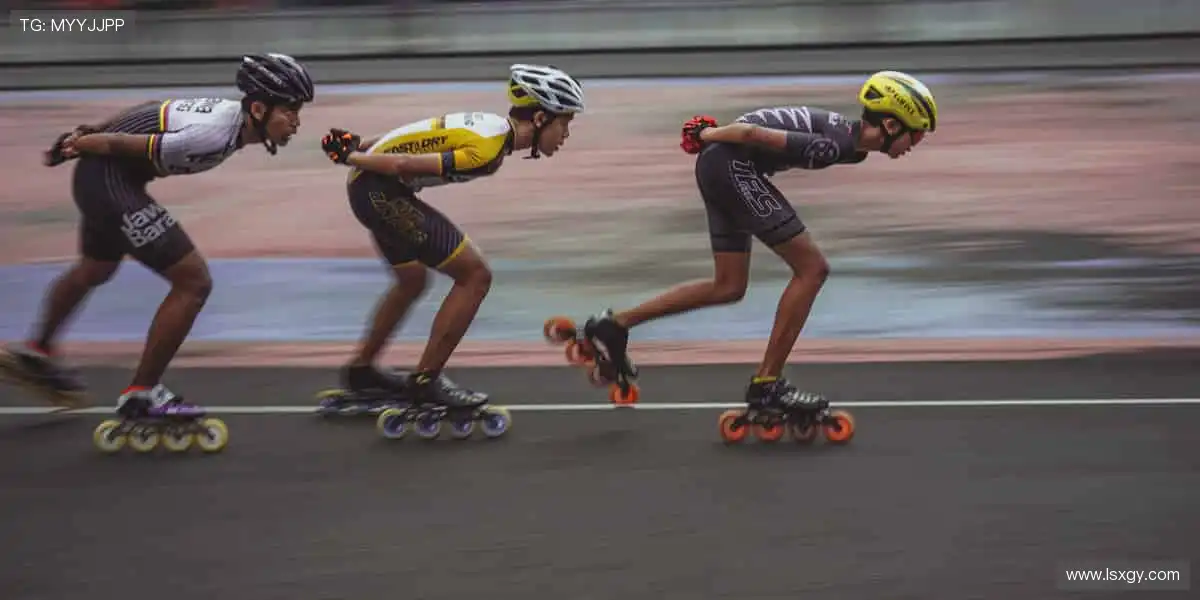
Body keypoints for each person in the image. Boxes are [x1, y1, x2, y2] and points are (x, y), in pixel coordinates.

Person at [570, 70, 938, 411]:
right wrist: (706, 134)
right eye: (917, 134)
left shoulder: (853, 146)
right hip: (730, 163)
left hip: (722, 165)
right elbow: (751, 135)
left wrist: (712, 141)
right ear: (891, 124)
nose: (916, 143)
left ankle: (614, 325)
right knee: (812, 269)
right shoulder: (835, 144)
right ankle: (767, 384)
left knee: (728, 286)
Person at [0, 53, 314, 418]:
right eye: (290, 111)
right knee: (193, 282)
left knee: (96, 268)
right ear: (258, 109)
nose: (296, 122)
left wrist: (90, 132)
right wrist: (81, 142)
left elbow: (152, 107)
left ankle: (38, 350)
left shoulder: (230, 119)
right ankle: (142, 394)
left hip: (107, 178)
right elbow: (120, 145)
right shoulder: (212, 135)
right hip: (109, 179)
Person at [319, 63, 585, 408]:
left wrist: (361, 146)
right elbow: (403, 165)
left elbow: (413, 134)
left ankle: (362, 372)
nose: (566, 134)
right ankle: (426, 381)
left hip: (372, 188)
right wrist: (351, 155)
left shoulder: (489, 126)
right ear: (539, 118)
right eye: (564, 123)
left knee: (412, 280)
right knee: (475, 275)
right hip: (379, 191)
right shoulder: (487, 149)